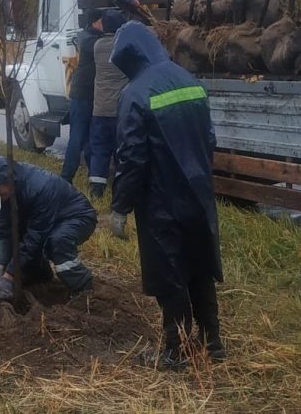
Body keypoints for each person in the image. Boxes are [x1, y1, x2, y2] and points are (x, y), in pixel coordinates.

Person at [108, 21, 224, 369]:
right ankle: (213, 342)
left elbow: (132, 158)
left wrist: (120, 207)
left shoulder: (135, 94)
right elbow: (210, 141)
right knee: (200, 267)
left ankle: (177, 351)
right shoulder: (191, 81)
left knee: (169, 274)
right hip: (198, 194)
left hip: (160, 201)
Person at [0, 156, 97, 298]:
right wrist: (0, 265)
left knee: (57, 241)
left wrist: (9, 275)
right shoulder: (4, 194)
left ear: (6, 179)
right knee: (17, 232)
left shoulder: (41, 187)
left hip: (76, 217)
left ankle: (83, 288)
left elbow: (36, 236)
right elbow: (3, 230)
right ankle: (39, 274)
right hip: (43, 219)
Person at [87, 9, 129, 197]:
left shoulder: (97, 45)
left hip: (100, 109)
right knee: (122, 149)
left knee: (100, 149)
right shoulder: (124, 46)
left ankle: (97, 189)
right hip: (120, 110)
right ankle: (121, 188)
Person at [60, 8, 102, 183]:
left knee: (89, 139)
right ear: (94, 23)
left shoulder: (88, 37)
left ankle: (93, 177)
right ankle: (65, 178)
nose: (104, 24)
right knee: (77, 138)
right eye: (102, 21)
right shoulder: (88, 40)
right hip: (82, 95)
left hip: (91, 95)